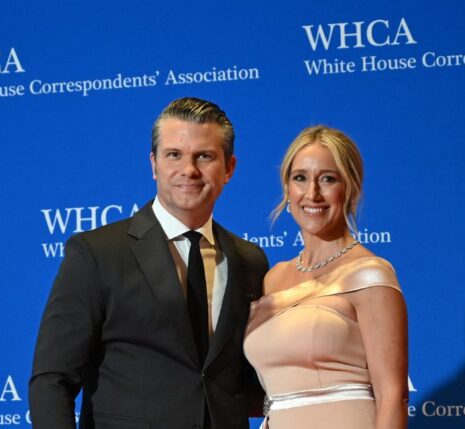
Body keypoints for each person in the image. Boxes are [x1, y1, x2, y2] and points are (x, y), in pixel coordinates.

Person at [29, 97, 269, 429]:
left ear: (229, 168)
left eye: (205, 156)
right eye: (174, 155)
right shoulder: (96, 254)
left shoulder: (250, 261)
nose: (189, 170)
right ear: (154, 164)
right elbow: (52, 380)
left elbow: (251, 377)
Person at [244, 125, 408, 429]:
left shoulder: (370, 274)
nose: (312, 194)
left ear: (351, 188)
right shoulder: (273, 277)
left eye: (328, 179)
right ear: (287, 189)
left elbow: (392, 395)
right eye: (300, 178)